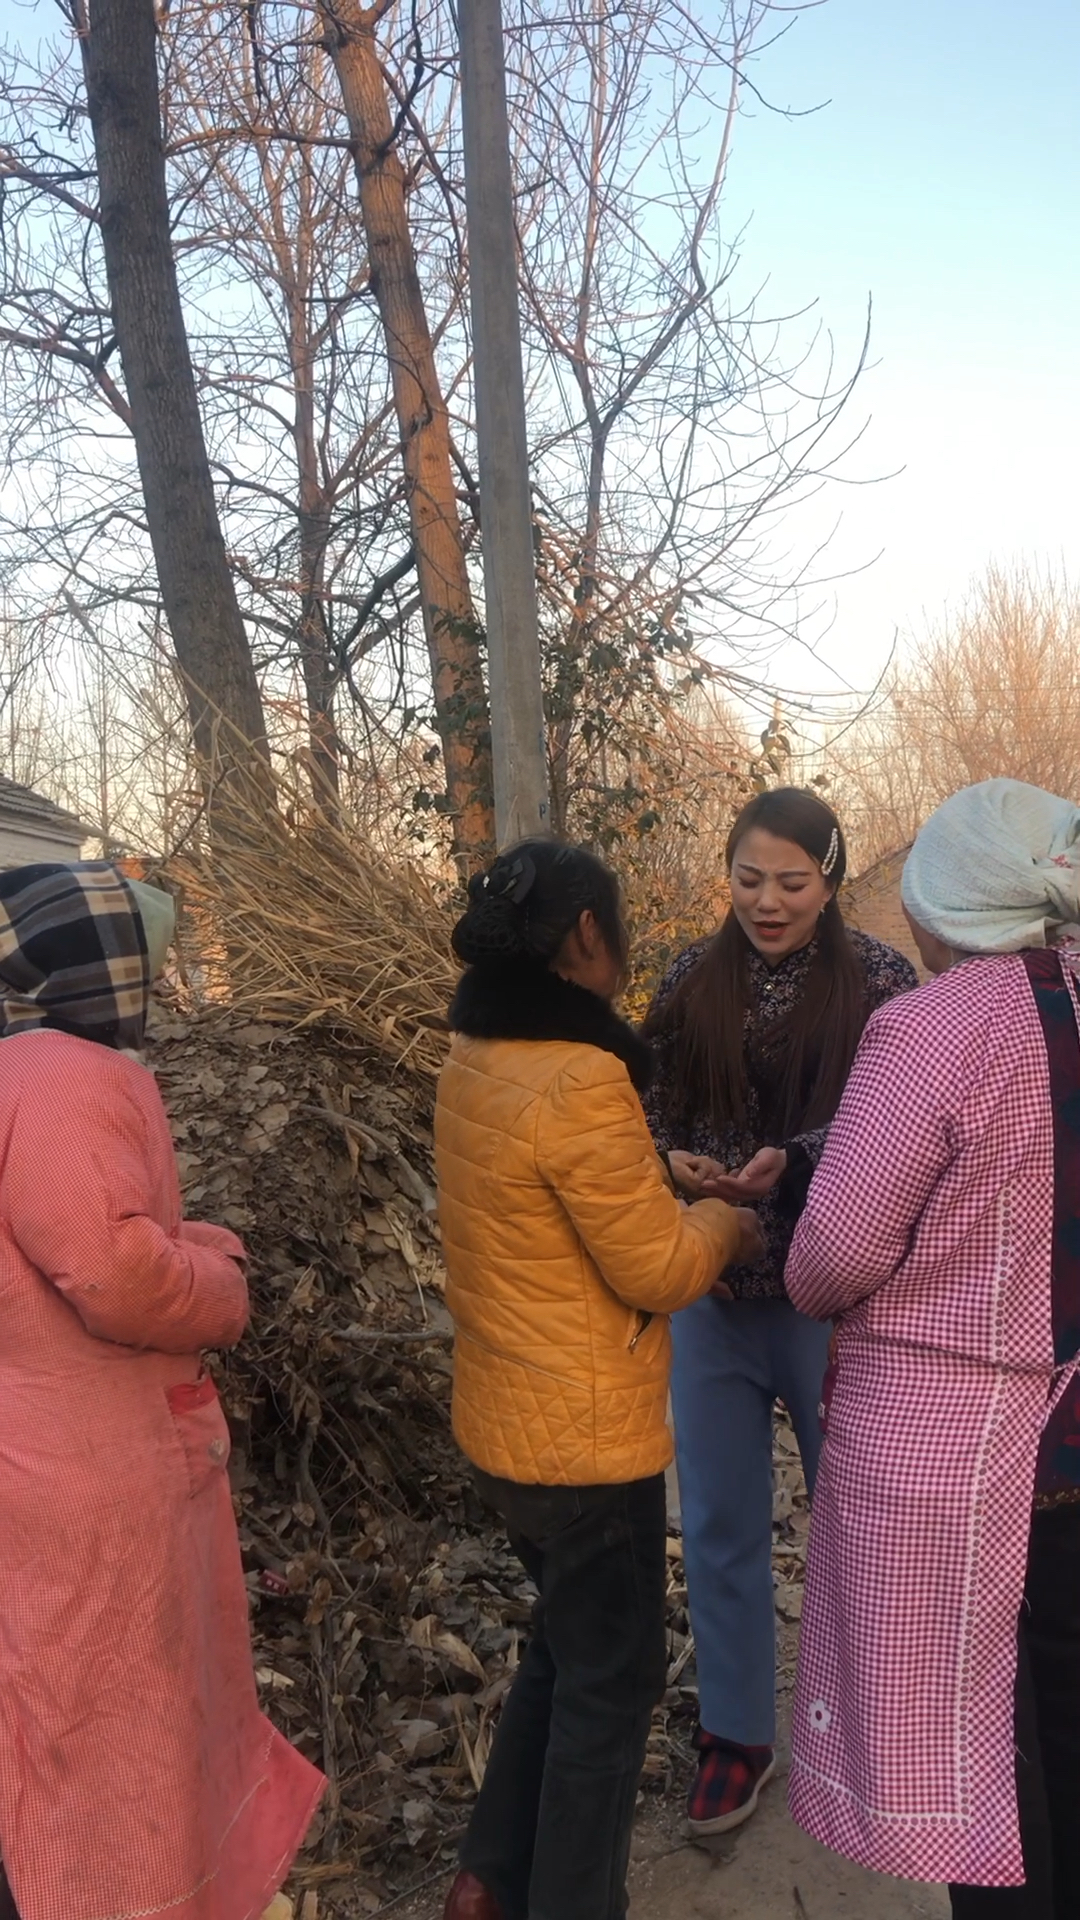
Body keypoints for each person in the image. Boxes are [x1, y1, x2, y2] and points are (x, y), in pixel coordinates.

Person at [433, 839, 763, 1920]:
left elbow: (545, 1191)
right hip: (583, 1445)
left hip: (505, 1423)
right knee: (611, 1693)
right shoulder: (581, 1074)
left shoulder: (480, 1053)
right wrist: (729, 1218)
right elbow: (660, 1270)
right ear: (588, 937)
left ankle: (491, 1874)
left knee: (566, 1651)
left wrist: (652, 1171)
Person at [0, 862, 324, 1920]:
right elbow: (112, 1271)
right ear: (112, 969)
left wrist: (187, 1240)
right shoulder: (60, 1074)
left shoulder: (29, 1067)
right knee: (114, 1727)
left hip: (56, 1455)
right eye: (154, 945)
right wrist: (220, 1285)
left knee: (90, 1712)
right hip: (92, 1475)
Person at [785, 778, 1080, 1917]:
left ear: (948, 910)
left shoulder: (927, 1030)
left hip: (957, 1473)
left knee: (984, 1774)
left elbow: (830, 1262)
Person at [641, 787, 916, 1838]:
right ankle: (737, 1733)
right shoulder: (685, 978)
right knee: (715, 1526)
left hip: (834, 1295)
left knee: (856, 1522)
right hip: (710, 1292)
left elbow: (897, 1131)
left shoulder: (883, 984)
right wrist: (674, 1167)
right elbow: (642, 1110)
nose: (768, 902)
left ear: (832, 880)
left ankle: (869, 1719)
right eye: (749, 879)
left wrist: (795, 1163)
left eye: (792, 883)